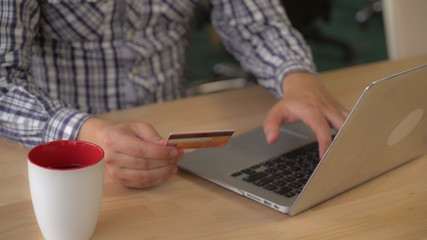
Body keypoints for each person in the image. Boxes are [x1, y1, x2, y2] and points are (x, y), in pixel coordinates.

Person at [0, 0, 349, 188]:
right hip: (64, 161)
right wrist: (86, 134)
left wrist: (299, 79)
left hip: (177, 154)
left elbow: (253, 20)